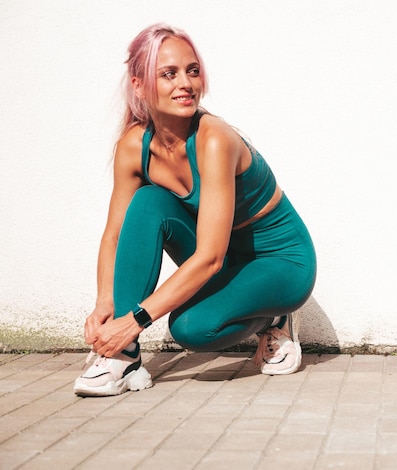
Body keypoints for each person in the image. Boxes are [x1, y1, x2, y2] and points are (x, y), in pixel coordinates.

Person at [73, 24, 316, 397]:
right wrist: (105, 304)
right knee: (149, 201)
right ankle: (123, 356)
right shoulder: (134, 146)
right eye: (168, 74)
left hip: (281, 262)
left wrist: (135, 321)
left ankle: (276, 314)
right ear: (138, 85)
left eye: (192, 70)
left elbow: (210, 258)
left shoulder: (214, 139)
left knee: (191, 329)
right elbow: (116, 234)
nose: (184, 83)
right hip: (224, 255)